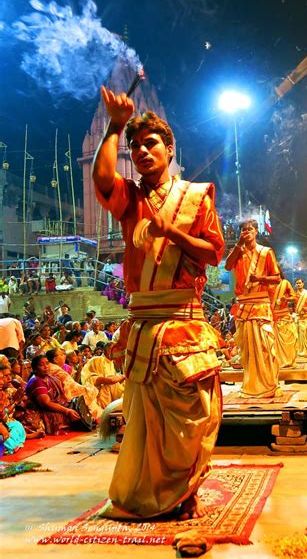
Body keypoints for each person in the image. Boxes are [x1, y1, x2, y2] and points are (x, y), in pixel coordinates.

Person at [91, 87, 224, 520]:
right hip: (144, 323)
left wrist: (173, 233)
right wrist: (113, 125)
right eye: (135, 146)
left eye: (151, 144)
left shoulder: (197, 195)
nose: (143, 151)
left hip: (184, 322)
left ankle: (184, 489)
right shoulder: (130, 197)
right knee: (146, 425)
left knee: (193, 418)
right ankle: (152, 494)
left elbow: (211, 253)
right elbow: (101, 180)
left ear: (169, 149)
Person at [225, 219, 281, 397]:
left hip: (261, 305)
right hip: (244, 306)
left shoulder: (266, 253)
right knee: (248, 349)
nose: (246, 232)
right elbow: (227, 266)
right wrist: (238, 245)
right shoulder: (237, 252)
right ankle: (251, 385)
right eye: (243, 230)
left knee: (264, 346)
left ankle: (268, 384)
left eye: (249, 229)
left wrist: (261, 279)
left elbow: (277, 278)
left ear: (256, 231)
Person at [81, 343, 125, 409]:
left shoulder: (111, 363)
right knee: (110, 384)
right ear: (109, 350)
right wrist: (124, 376)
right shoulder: (97, 360)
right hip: (97, 395)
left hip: (108, 393)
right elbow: (110, 380)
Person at [271, 273, 298, 368]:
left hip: (284, 317)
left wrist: (285, 299)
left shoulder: (285, 283)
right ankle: (276, 362)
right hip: (272, 317)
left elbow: (294, 297)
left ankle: (288, 361)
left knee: (288, 340)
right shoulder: (268, 284)